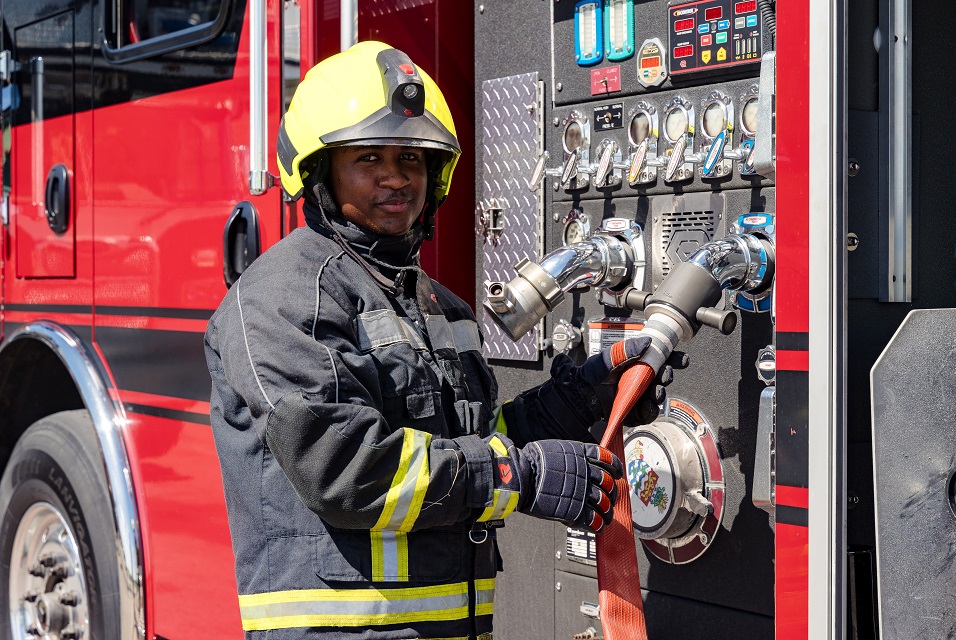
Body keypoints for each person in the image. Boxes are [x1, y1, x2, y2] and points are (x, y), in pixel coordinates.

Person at [205, 41, 667, 640]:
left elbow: (469, 442)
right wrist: (520, 478)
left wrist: (573, 400)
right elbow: (348, 467)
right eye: (369, 158)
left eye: (413, 159)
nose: (397, 177)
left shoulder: (437, 304)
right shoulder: (282, 299)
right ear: (320, 171)